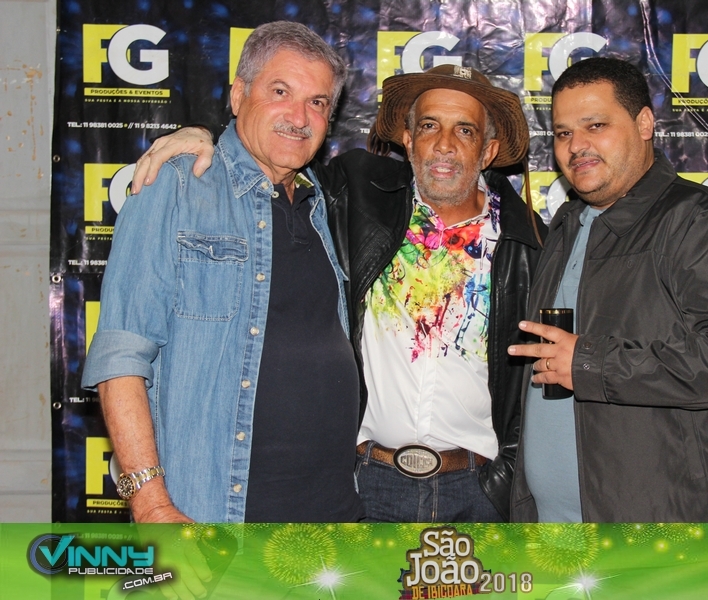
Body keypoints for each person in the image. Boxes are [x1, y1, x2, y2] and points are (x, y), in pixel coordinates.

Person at [131, 64, 546, 522]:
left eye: (464, 130)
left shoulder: (530, 244)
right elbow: (273, 148)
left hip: (478, 491)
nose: (444, 144)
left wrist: (503, 482)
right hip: (367, 485)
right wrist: (202, 132)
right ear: (408, 140)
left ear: (487, 151)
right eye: (429, 125)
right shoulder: (356, 195)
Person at [82, 21, 364, 524]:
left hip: (335, 521)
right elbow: (120, 358)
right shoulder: (176, 187)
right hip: (215, 521)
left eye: (318, 102)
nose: (299, 117)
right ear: (238, 95)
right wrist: (151, 507)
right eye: (280, 92)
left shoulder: (330, 205)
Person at [507, 57, 708, 523]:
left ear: (643, 124)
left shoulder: (701, 221)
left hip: (664, 538)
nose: (577, 146)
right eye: (562, 133)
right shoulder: (566, 225)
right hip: (553, 529)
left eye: (596, 125)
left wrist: (592, 363)